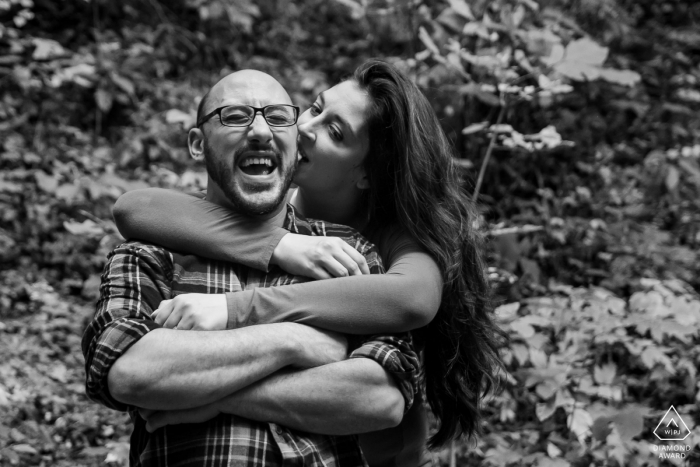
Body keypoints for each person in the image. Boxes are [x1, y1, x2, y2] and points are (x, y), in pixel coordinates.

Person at [113, 59, 506, 465]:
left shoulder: (386, 235)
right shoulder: (264, 203)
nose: (304, 129)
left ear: (367, 174)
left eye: (335, 132)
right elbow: (136, 208)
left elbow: (412, 300)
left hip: (379, 449)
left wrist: (228, 331)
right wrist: (281, 245)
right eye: (316, 109)